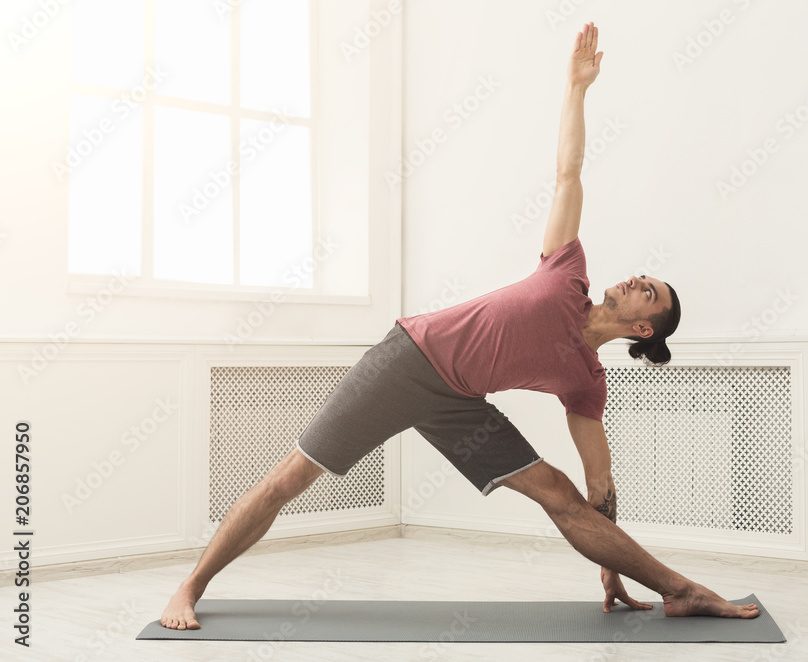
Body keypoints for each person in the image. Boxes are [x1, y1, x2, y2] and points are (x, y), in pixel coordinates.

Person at [160, 21, 758, 630]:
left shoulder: (585, 382)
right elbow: (568, 174)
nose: (636, 279)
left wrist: (614, 567)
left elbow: (599, 481)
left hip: (458, 402)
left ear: (643, 331)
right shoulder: (567, 270)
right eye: (642, 276)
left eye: (648, 292)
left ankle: (681, 591)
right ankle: (189, 586)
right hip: (405, 362)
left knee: (559, 491)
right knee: (289, 480)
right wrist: (577, 89)